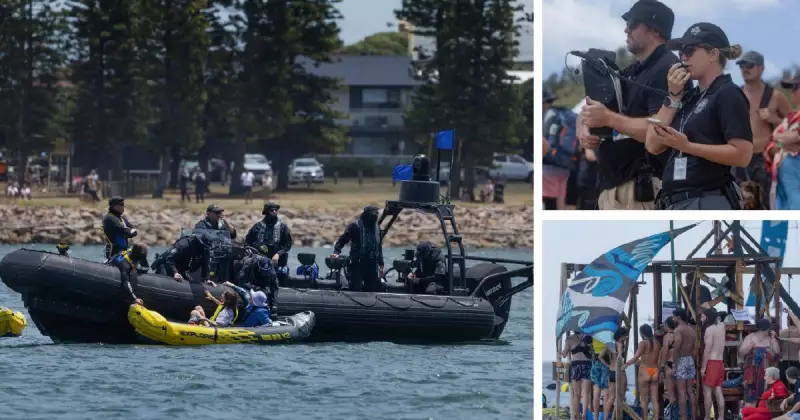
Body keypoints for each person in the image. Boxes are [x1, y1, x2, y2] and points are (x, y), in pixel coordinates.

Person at [578, 0, 683, 210]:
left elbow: (660, 131)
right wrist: (584, 129)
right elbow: (589, 110)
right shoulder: (632, 71)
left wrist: (608, 118)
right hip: (614, 185)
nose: (626, 29)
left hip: (643, 187)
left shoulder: (668, 68)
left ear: (655, 30)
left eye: (633, 23)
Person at [646, 23, 752, 210]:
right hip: (674, 202)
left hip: (706, 198)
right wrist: (673, 96)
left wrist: (687, 146)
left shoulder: (728, 93)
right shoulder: (687, 97)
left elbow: (743, 155)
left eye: (689, 51)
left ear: (713, 54)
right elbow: (653, 146)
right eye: (681, 52)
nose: (683, 58)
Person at [736, 50, 792, 208]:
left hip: (764, 159)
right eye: (742, 65)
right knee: (740, 205)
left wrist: (774, 119)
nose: (745, 69)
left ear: (761, 68)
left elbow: (795, 126)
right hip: (739, 158)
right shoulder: (736, 95)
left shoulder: (775, 96)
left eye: (749, 65)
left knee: (766, 205)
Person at [331, 205, 385, 292]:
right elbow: (342, 240)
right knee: (356, 287)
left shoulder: (377, 229)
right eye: (373, 214)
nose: (375, 216)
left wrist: (381, 263)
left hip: (372, 264)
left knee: (371, 289)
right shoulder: (355, 226)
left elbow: (379, 247)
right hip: (358, 263)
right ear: (366, 215)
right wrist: (336, 252)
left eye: (376, 214)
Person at [765, 76, 800, 210]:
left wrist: (784, 139)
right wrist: (783, 144)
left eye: (795, 87)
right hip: (782, 186)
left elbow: (794, 136)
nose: (791, 92)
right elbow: (772, 141)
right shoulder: (790, 118)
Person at [542, 88, 574, 210]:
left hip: (548, 168)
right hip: (565, 166)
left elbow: (544, 146)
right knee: (561, 205)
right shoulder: (564, 115)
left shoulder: (548, 117)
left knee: (549, 205)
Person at [245, 202, 292, 282]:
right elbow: (247, 242)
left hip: (277, 261)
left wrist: (278, 254)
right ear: (267, 212)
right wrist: (250, 251)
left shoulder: (283, 227)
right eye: (272, 210)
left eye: (275, 210)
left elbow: (288, 244)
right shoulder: (258, 226)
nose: (274, 212)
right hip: (259, 260)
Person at [740, 318, 781, 407]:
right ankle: (750, 412)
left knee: (766, 395)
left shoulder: (770, 338)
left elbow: (777, 351)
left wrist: (773, 338)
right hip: (752, 372)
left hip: (766, 372)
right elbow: (742, 352)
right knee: (751, 395)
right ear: (767, 329)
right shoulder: (750, 337)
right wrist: (750, 345)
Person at [624, 324, 661, 420]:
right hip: (654, 371)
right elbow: (655, 359)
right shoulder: (657, 343)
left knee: (644, 399)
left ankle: (645, 418)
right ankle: (656, 418)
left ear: (642, 333)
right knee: (654, 399)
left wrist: (626, 364)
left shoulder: (643, 343)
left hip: (645, 371)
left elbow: (636, 357)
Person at [672, 309, 697, 420]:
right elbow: (695, 349)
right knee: (690, 391)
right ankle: (694, 417)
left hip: (681, 360)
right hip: (690, 360)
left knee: (681, 392)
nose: (673, 319)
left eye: (674, 316)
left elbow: (677, 347)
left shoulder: (678, 330)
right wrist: (692, 360)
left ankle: (684, 417)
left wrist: (674, 364)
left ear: (678, 317)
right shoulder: (692, 330)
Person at [561, 332, 593, 420]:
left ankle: (577, 416)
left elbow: (564, 355)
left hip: (576, 366)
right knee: (586, 393)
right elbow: (591, 353)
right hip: (587, 365)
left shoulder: (569, 339)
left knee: (576, 394)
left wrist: (562, 351)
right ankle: (584, 414)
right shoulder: (589, 336)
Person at [236, 251, 279, 315]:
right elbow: (240, 282)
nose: (264, 273)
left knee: (267, 295)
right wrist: (255, 288)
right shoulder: (249, 264)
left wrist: (274, 305)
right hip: (249, 282)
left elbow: (275, 288)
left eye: (265, 272)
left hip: (260, 285)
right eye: (262, 271)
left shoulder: (271, 271)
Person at [701, 307, 726, 420]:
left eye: (703, 316)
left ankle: (707, 417)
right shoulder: (722, 326)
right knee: (718, 390)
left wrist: (703, 367)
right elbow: (719, 320)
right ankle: (721, 417)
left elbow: (707, 349)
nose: (701, 319)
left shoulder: (709, 330)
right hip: (720, 362)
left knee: (707, 392)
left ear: (708, 317)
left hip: (711, 362)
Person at [661, 318, 679, 418]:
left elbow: (665, 352)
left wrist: (662, 366)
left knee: (671, 395)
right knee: (679, 394)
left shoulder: (667, 337)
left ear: (667, 325)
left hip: (669, 364)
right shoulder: (679, 335)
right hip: (678, 365)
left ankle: (674, 417)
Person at [590, 335, 610, 420]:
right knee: (606, 392)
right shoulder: (607, 334)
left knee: (596, 391)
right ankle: (605, 418)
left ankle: (596, 418)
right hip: (605, 361)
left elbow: (591, 348)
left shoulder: (594, 334)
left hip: (595, 362)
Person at [780, 313, 800, 384]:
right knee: (797, 383)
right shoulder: (799, 332)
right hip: (797, 361)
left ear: (788, 320)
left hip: (785, 360)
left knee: (783, 384)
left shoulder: (782, 332)